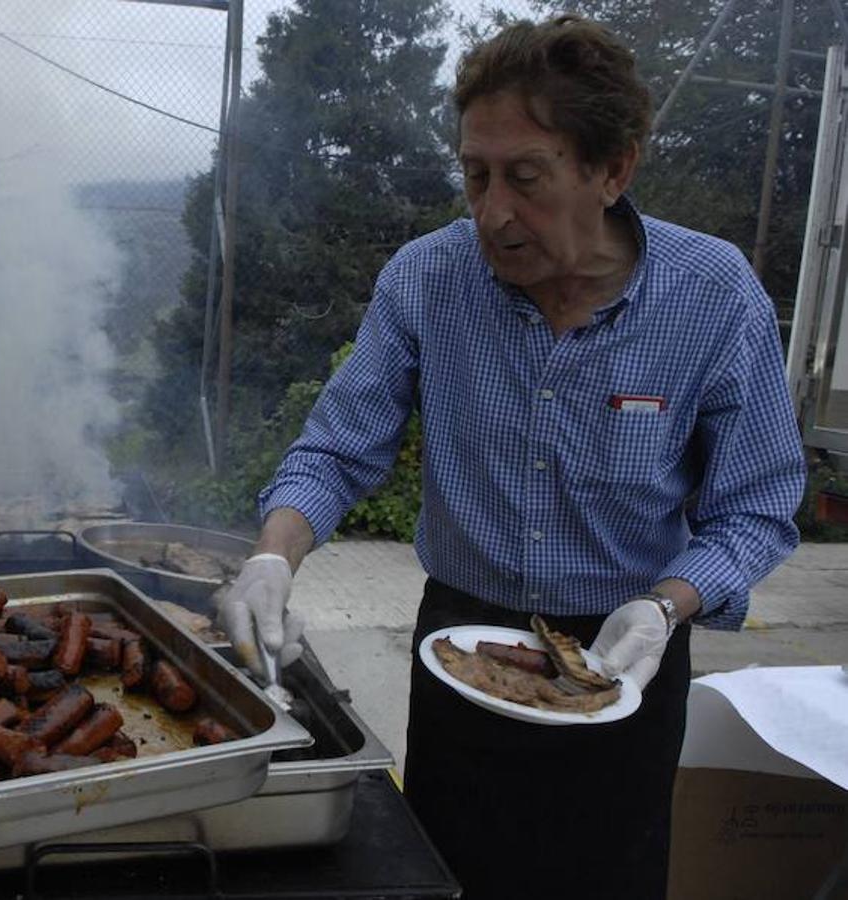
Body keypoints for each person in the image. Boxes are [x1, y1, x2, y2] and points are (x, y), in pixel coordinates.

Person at [217, 16, 806, 900]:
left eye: (525, 177)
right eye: (474, 175)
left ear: (613, 169)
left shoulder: (712, 295)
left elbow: (755, 508)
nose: (493, 211)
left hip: (625, 655)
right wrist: (271, 555)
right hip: (458, 642)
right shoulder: (427, 278)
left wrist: (664, 605)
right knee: (447, 871)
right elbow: (336, 450)